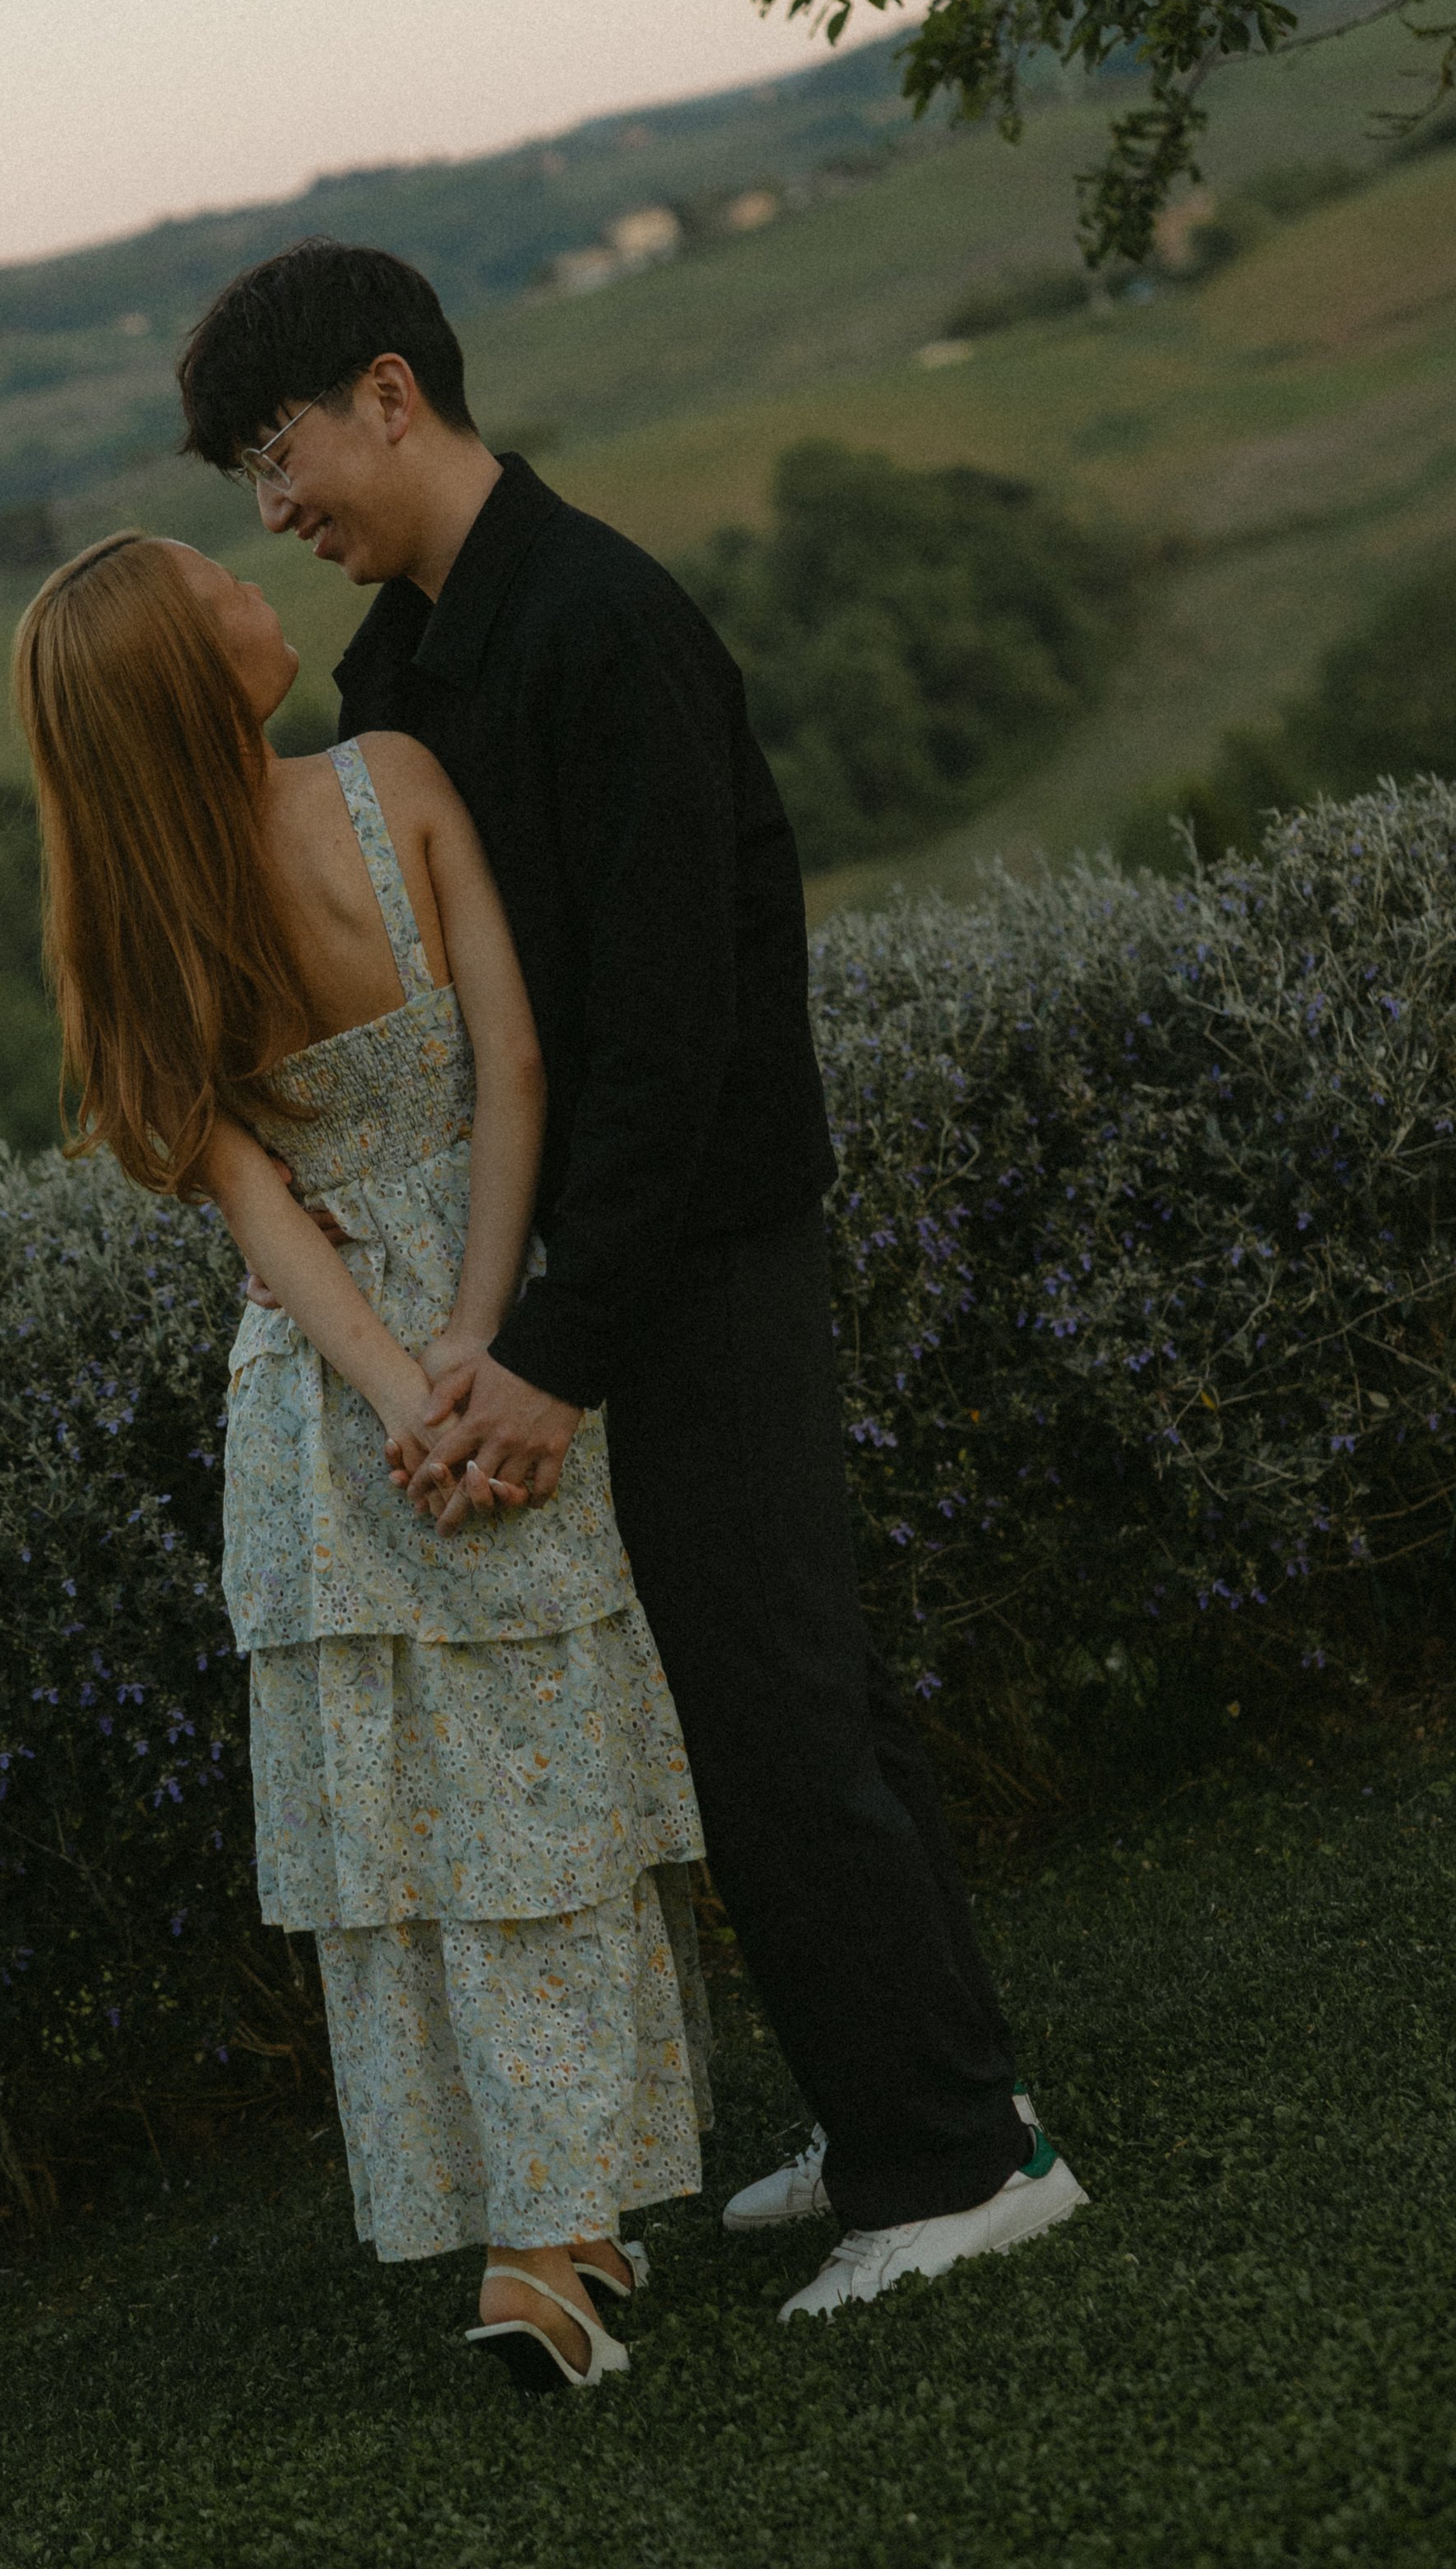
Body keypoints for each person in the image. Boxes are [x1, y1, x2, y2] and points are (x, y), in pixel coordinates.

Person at [174, 238, 1087, 2320]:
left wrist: (553, 1350)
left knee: (778, 1700)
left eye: (277, 443)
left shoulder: (598, 623)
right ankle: (917, 2115)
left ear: (387, 393)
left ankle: (957, 2166)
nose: (271, 499)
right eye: (243, 470)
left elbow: (674, 1036)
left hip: (703, 1245)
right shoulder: (405, 666)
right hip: (595, 1259)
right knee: (772, 1699)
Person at [13, 528, 711, 2390]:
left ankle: (551, 2231)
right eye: (215, 586)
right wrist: (487, 1343)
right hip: (489, 1319)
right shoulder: (390, 780)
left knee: (416, 1828)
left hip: (325, 1407)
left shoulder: (127, 926)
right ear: (195, 667)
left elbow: (264, 1217)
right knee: (539, 1787)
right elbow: (517, 1072)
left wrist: (401, 1393)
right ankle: (552, 2238)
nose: (257, 583)